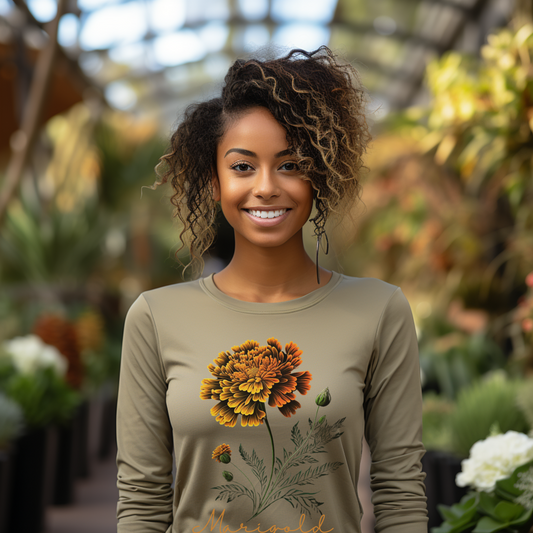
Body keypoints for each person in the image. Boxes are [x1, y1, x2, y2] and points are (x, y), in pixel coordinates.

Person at [116, 46, 428, 533]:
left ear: (318, 174)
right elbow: (141, 500)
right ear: (215, 180)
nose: (265, 186)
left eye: (290, 164)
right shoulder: (156, 318)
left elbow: (400, 491)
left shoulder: (378, 310)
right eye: (242, 166)